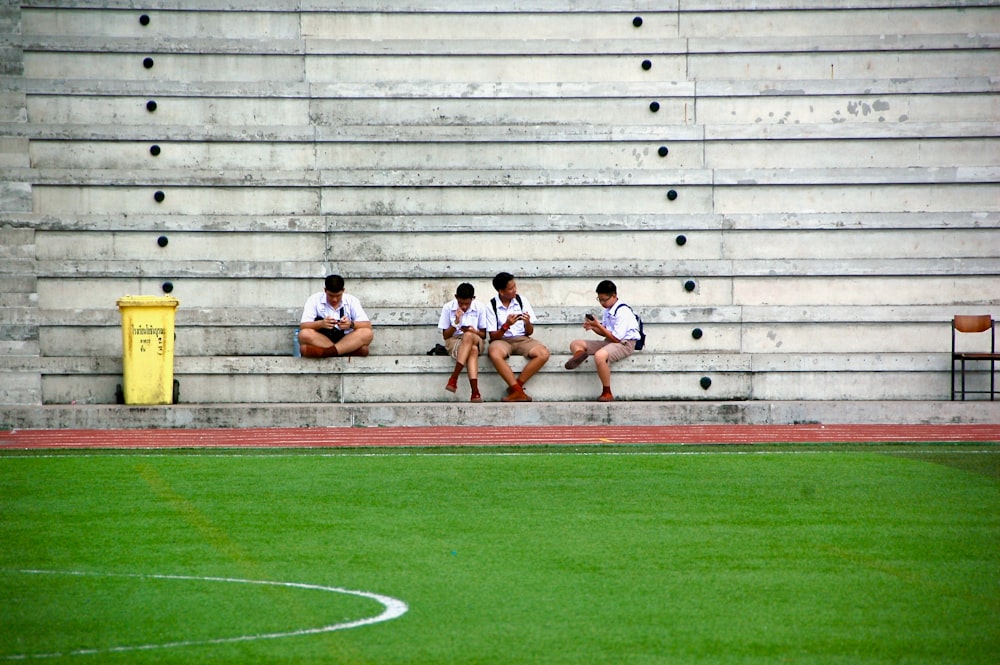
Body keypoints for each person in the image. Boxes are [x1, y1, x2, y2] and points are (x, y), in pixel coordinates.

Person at [564, 280, 641, 402]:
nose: (602, 303)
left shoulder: (623, 311)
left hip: (625, 343)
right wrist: (593, 327)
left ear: (614, 296)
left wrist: (598, 326)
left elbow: (617, 338)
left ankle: (607, 392)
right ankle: (579, 354)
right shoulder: (608, 310)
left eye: (604, 300)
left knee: (600, 356)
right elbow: (606, 332)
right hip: (610, 341)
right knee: (575, 343)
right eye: (600, 300)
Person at [485, 272, 550, 402]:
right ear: (501, 292)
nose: (515, 290)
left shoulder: (521, 300)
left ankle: (516, 388)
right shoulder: (491, 305)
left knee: (543, 353)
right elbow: (493, 336)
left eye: (515, 286)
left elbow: (530, 332)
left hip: (522, 339)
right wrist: (506, 325)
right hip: (502, 340)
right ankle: (518, 391)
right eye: (511, 288)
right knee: (494, 352)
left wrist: (527, 322)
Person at [298, 274, 374, 358]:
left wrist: (351, 324)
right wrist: (321, 324)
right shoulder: (314, 299)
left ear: (343, 290)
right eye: (330, 295)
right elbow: (304, 326)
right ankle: (344, 351)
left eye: (338, 296)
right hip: (322, 339)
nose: (334, 299)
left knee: (367, 333)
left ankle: (328, 352)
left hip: (347, 339)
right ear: (325, 290)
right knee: (303, 334)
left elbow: (367, 325)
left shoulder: (352, 300)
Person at [438, 283, 487, 403]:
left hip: (475, 338)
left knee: (469, 336)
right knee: (473, 350)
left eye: (467, 303)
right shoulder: (448, 308)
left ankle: (454, 377)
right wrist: (456, 322)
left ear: (473, 299)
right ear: (456, 297)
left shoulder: (480, 307)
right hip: (455, 341)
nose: (464, 307)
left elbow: (483, 334)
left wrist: (473, 331)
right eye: (461, 303)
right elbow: (446, 336)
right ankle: (475, 392)